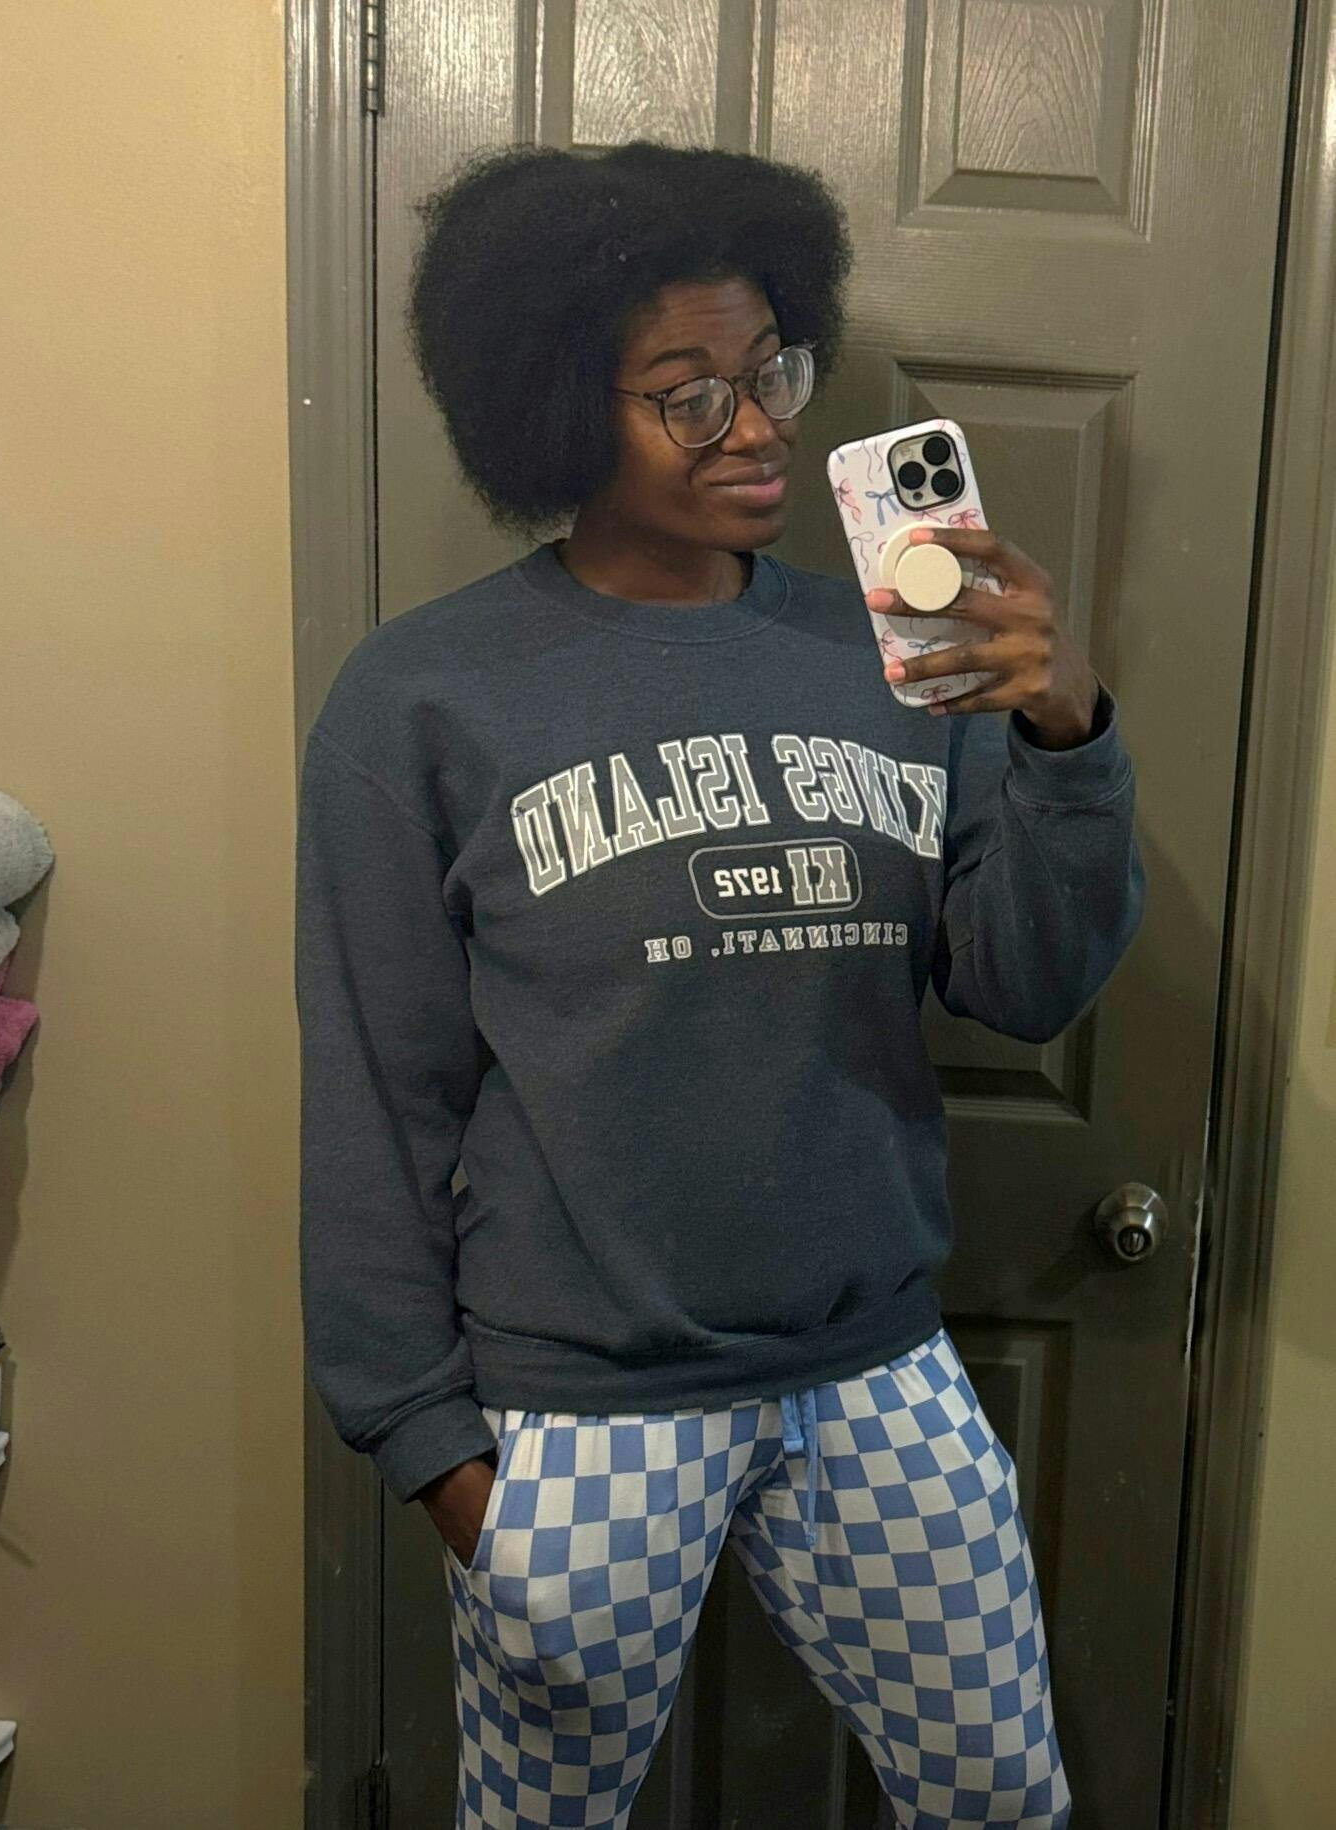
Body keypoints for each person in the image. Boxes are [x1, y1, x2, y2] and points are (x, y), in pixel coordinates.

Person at [295, 140, 1142, 1830]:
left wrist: (1062, 733)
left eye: (771, 370)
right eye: (687, 394)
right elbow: (377, 1098)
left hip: (875, 1368)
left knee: (1002, 1800)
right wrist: (433, 1449)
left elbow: (1026, 983)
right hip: (577, 1406)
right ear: (557, 406)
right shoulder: (420, 701)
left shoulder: (894, 657)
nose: (756, 428)